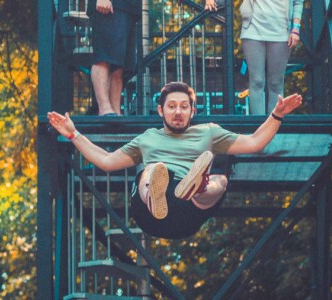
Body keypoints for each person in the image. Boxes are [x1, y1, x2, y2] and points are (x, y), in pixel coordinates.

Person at [47, 82, 302, 239]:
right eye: (171, 106)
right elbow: (106, 161)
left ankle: (195, 189)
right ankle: (156, 196)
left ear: (193, 110)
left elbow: (255, 142)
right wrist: (73, 133)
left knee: (221, 180)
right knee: (153, 170)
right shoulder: (147, 138)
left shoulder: (209, 132)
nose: (178, 112)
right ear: (161, 110)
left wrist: (276, 115)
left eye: (183, 106)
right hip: (148, 214)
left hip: (189, 212)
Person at [206, 0, 303, 115]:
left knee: (276, 83)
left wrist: (295, 29)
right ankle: (259, 127)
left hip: (281, 32)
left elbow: (298, 2)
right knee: (257, 81)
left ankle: (275, 127)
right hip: (252, 30)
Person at [87, 0, 141, 116]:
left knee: (119, 65)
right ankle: (104, 108)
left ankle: (115, 111)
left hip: (128, 9)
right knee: (103, 57)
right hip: (108, 6)